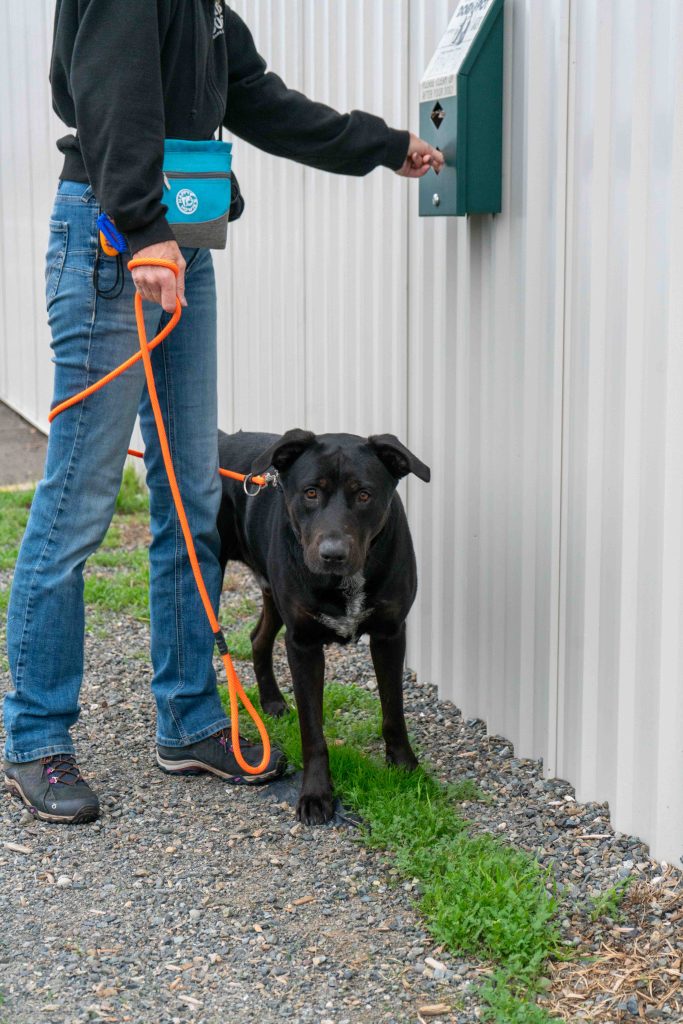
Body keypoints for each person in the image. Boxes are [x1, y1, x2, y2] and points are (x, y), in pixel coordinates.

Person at [3, 0, 444, 824]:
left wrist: (381, 146)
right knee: (77, 504)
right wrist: (142, 227)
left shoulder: (205, 7)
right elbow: (111, 93)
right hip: (117, 241)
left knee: (192, 496)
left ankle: (188, 719)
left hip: (178, 239)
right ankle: (35, 736)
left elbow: (261, 100)